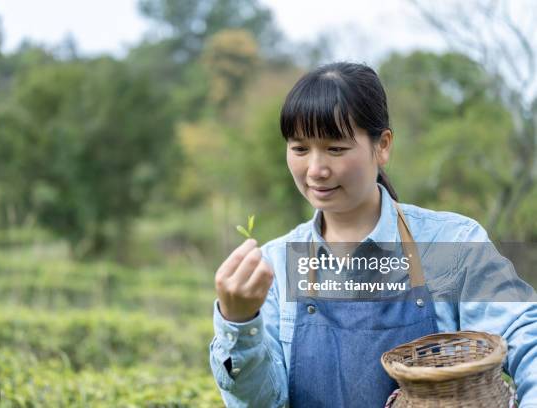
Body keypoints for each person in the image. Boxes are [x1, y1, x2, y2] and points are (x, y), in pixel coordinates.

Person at [209, 62, 537, 407]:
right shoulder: (275, 263)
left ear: (382, 146)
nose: (316, 170)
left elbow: (526, 337)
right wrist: (239, 322)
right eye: (300, 149)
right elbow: (262, 402)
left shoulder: (451, 242)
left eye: (335, 148)